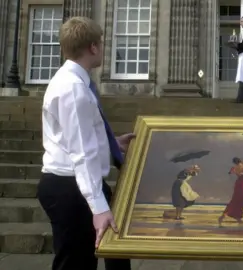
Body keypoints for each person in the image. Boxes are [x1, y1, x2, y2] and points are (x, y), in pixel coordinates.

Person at [36, 17, 135, 270]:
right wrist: (99, 208)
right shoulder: (73, 89)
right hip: (70, 189)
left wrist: (111, 143)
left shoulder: (74, 82)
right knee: (75, 264)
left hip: (77, 186)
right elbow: (81, 153)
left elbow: (77, 135)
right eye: (100, 43)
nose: (102, 48)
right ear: (92, 47)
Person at [218, 157, 243, 225]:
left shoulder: (234, 167)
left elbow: (230, 172)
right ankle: (237, 217)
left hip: (238, 183)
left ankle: (226, 215)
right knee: (240, 202)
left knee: (235, 201)